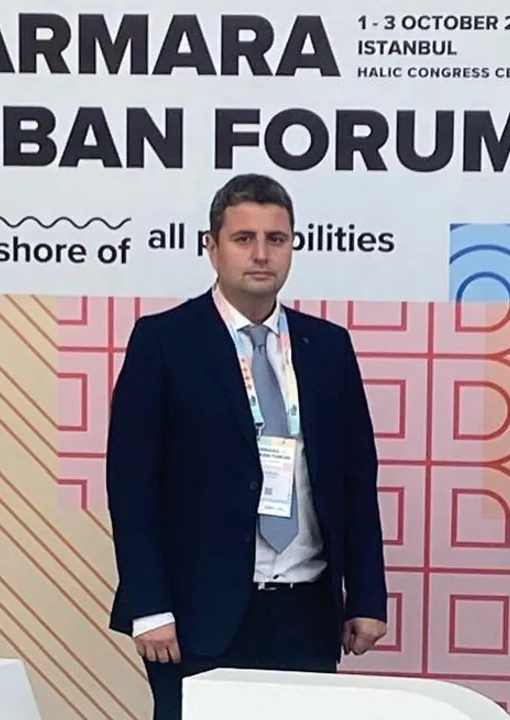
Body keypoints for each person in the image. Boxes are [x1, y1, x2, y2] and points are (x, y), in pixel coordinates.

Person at [105, 173, 389, 720]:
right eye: (243, 239)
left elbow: (356, 480)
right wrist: (149, 606)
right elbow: (132, 485)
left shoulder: (328, 347)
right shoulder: (163, 341)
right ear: (211, 247)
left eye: (275, 239)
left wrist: (367, 596)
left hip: (306, 611)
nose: (261, 254)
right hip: (196, 616)